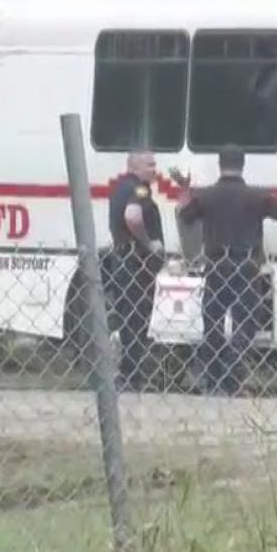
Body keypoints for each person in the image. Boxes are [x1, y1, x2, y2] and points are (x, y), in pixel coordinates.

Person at [174, 147, 277, 395]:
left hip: (215, 266)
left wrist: (184, 188)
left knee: (212, 324)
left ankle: (213, 381)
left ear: (220, 165)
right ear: (242, 165)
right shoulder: (256, 197)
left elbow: (183, 215)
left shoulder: (206, 196)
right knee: (246, 325)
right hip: (245, 268)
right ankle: (231, 377)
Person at [103, 151, 166, 389]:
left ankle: (130, 374)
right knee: (136, 320)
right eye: (150, 165)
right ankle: (130, 375)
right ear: (135, 166)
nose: (154, 169)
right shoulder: (139, 189)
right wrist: (149, 243)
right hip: (136, 263)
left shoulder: (120, 187)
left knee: (129, 318)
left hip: (123, 260)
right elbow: (132, 216)